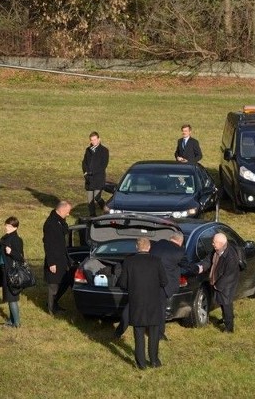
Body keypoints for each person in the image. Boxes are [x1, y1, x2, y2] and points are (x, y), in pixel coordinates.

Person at [118, 237, 168, 370]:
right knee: (154, 333)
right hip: (153, 302)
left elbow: (122, 283)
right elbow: (164, 282)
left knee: (139, 334)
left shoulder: (129, 262)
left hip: (137, 302)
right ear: (149, 247)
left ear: (136, 247)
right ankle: (154, 360)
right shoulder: (156, 261)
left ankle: (141, 364)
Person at [197, 232, 241, 333]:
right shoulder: (216, 251)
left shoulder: (231, 257)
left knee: (226, 304)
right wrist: (201, 267)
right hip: (219, 282)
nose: (212, 244)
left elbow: (229, 275)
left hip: (226, 285)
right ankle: (226, 318)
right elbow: (208, 261)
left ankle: (229, 328)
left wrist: (218, 285)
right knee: (222, 303)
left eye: (214, 242)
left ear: (221, 244)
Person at [150, 233, 184, 341]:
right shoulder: (179, 251)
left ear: (171, 238)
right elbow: (185, 265)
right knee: (160, 308)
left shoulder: (159, 243)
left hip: (149, 279)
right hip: (163, 284)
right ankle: (159, 333)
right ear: (180, 242)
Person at [43, 201, 73, 315]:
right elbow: (48, 244)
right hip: (54, 259)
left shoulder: (59, 221)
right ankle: (51, 308)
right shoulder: (50, 223)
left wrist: (63, 220)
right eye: (68, 211)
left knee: (65, 280)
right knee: (53, 285)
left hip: (62, 258)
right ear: (62, 210)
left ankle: (55, 303)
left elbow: (65, 231)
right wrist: (51, 263)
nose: (69, 214)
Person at [0, 216, 25, 328]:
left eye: (8, 226)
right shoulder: (5, 237)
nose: (6, 227)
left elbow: (20, 257)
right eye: (6, 225)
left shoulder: (16, 239)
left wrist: (11, 252)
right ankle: (12, 319)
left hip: (12, 272)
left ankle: (16, 323)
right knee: (10, 297)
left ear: (15, 227)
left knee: (12, 297)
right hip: (5, 270)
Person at [82, 131, 109, 216]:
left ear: (99, 139)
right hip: (89, 179)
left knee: (97, 197)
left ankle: (106, 210)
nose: (93, 141)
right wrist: (86, 172)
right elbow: (84, 162)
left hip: (98, 178)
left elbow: (103, 165)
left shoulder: (104, 150)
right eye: (92, 140)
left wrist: (92, 172)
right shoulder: (88, 150)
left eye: (95, 139)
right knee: (90, 200)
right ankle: (92, 216)